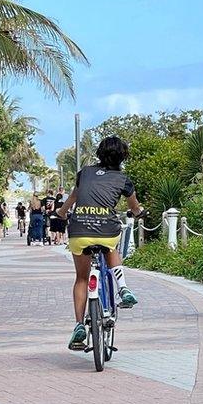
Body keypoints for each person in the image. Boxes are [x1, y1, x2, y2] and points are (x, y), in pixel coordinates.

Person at [52, 136, 144, 350]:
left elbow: (73, 198)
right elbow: (135, 206)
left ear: (99, 153)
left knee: (82, 278)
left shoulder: (84, 173)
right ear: (123, 157)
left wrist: (61, 212)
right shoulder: (123, 179)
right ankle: (123, 287)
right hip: (106, 230)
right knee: (111, 246)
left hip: (79, 231)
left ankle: (78, 325)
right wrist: (139, 212)